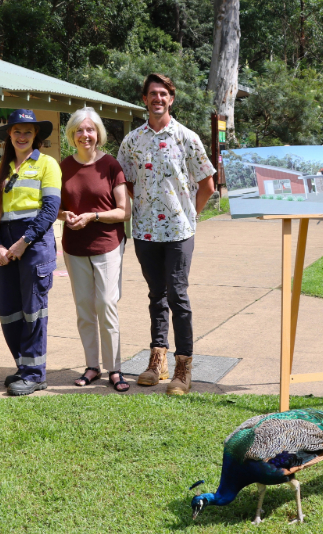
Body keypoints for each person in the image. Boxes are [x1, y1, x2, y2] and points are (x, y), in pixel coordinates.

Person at [117, 74, 216, 395]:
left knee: (178, 296)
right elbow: (127, 182)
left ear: (171, 99)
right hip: (145, 232)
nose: (158, 99)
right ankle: (156, 361)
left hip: (179, 232)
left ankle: (183, 366)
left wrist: (190, 215)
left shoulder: (187, 138)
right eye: (152, 94)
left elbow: (207, 184)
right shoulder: (132, 141)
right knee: (156, 296)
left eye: (163, 94)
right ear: (144, 99)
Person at [0, 109, 62, 396]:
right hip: (5, 246)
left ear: (36, 136)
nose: (21, 136)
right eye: (16, 131)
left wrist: (22, 243)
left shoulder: (47, 165)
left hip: (33, 245)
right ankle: (23, 366)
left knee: (33, 311)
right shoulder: (2, 169)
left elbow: (50, 210)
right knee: (8, 311)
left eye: (27, 132)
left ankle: (35, 374)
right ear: (8, 136)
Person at [58, 107, 131, 392]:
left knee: (106, 304)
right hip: (74, 247)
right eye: (79, 130)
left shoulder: (110, 165)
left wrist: (92, 217)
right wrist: (67, 217)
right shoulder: (63, 167)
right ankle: (91, 366)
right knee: (84, 308)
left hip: (107, 245)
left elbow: (123, 211)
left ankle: (115, 368)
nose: (85, 135)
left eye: (90, 129)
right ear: (71, 135)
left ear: (98, 133)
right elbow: (54, 208)